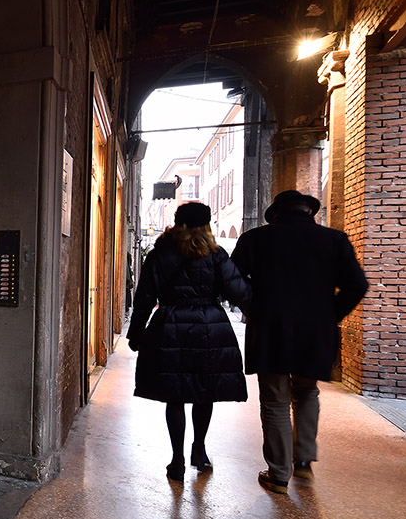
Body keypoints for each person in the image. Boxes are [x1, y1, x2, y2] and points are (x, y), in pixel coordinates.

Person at [231, 190, 368, 495]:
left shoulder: (255, 239)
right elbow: (358, 285)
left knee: (276, 399)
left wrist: (254, 305)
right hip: (315, 331)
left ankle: (279, 473)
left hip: (270, 328)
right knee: (307, 392)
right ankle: (303, 459)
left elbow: (232, 280)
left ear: (276, 214)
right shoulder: (334, 240)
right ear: (310, 211)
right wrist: (329, 313)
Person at [127, 201, 251, 481]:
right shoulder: (216, 255)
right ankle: (199, 449)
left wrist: (136, 333)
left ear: (177, 223)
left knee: (176, 395)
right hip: (209, 326)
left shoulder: (160, 254)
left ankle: (176, 459)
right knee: (203, 392)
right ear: (206, 225)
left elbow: (145, 297)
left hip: (169, 325)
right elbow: (240, 293)